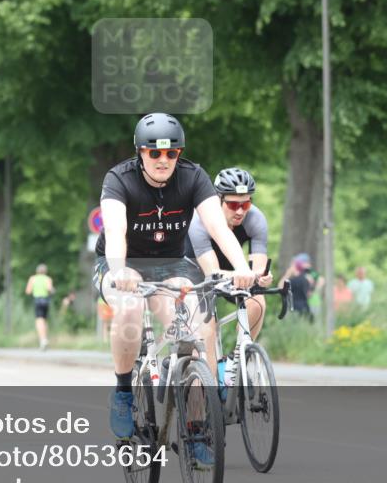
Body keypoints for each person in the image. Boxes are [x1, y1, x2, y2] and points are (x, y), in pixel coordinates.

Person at [95, 112, 255, 457]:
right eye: (154, 153)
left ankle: (196, 430)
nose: (163, 160)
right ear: (141, 153)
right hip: (121, 263)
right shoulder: (118, 179)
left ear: (179, 154)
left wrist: (242, 267)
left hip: (170, 265)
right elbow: (116, 232)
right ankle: (123, 392)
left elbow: (218, 228)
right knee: (130, 307)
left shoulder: (193, 176)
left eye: (171, 153)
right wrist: (121, 270)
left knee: (194, 336)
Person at [186, 168, 273, 350]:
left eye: (246, 204)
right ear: (218, 201)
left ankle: (239, 356)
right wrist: (243, 274)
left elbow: (258, 269)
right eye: (233, 205)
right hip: (195, 271)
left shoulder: (256, 219)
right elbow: (212, 274)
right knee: (206, 331)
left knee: (257, 301)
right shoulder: (199, 221)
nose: (241, 211)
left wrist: (262, 277)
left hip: (232, 270)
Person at [24, 264, 54, 350]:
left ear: (37, 271)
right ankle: (44, 338)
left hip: (37, 300)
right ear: (45, 271)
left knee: (39, 321)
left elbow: (28, 291)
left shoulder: (33, 278)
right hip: (46, 301)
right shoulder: (48, 279)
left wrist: (35, 289)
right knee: (44, 320)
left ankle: (43, 340)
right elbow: (50, 289)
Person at [284, 254, 315, 323]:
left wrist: (287, 274)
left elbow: (280, 287)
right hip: (305, 307)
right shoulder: (306, 278)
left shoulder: (291, 280)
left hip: (294, 309)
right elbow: (309, 294)